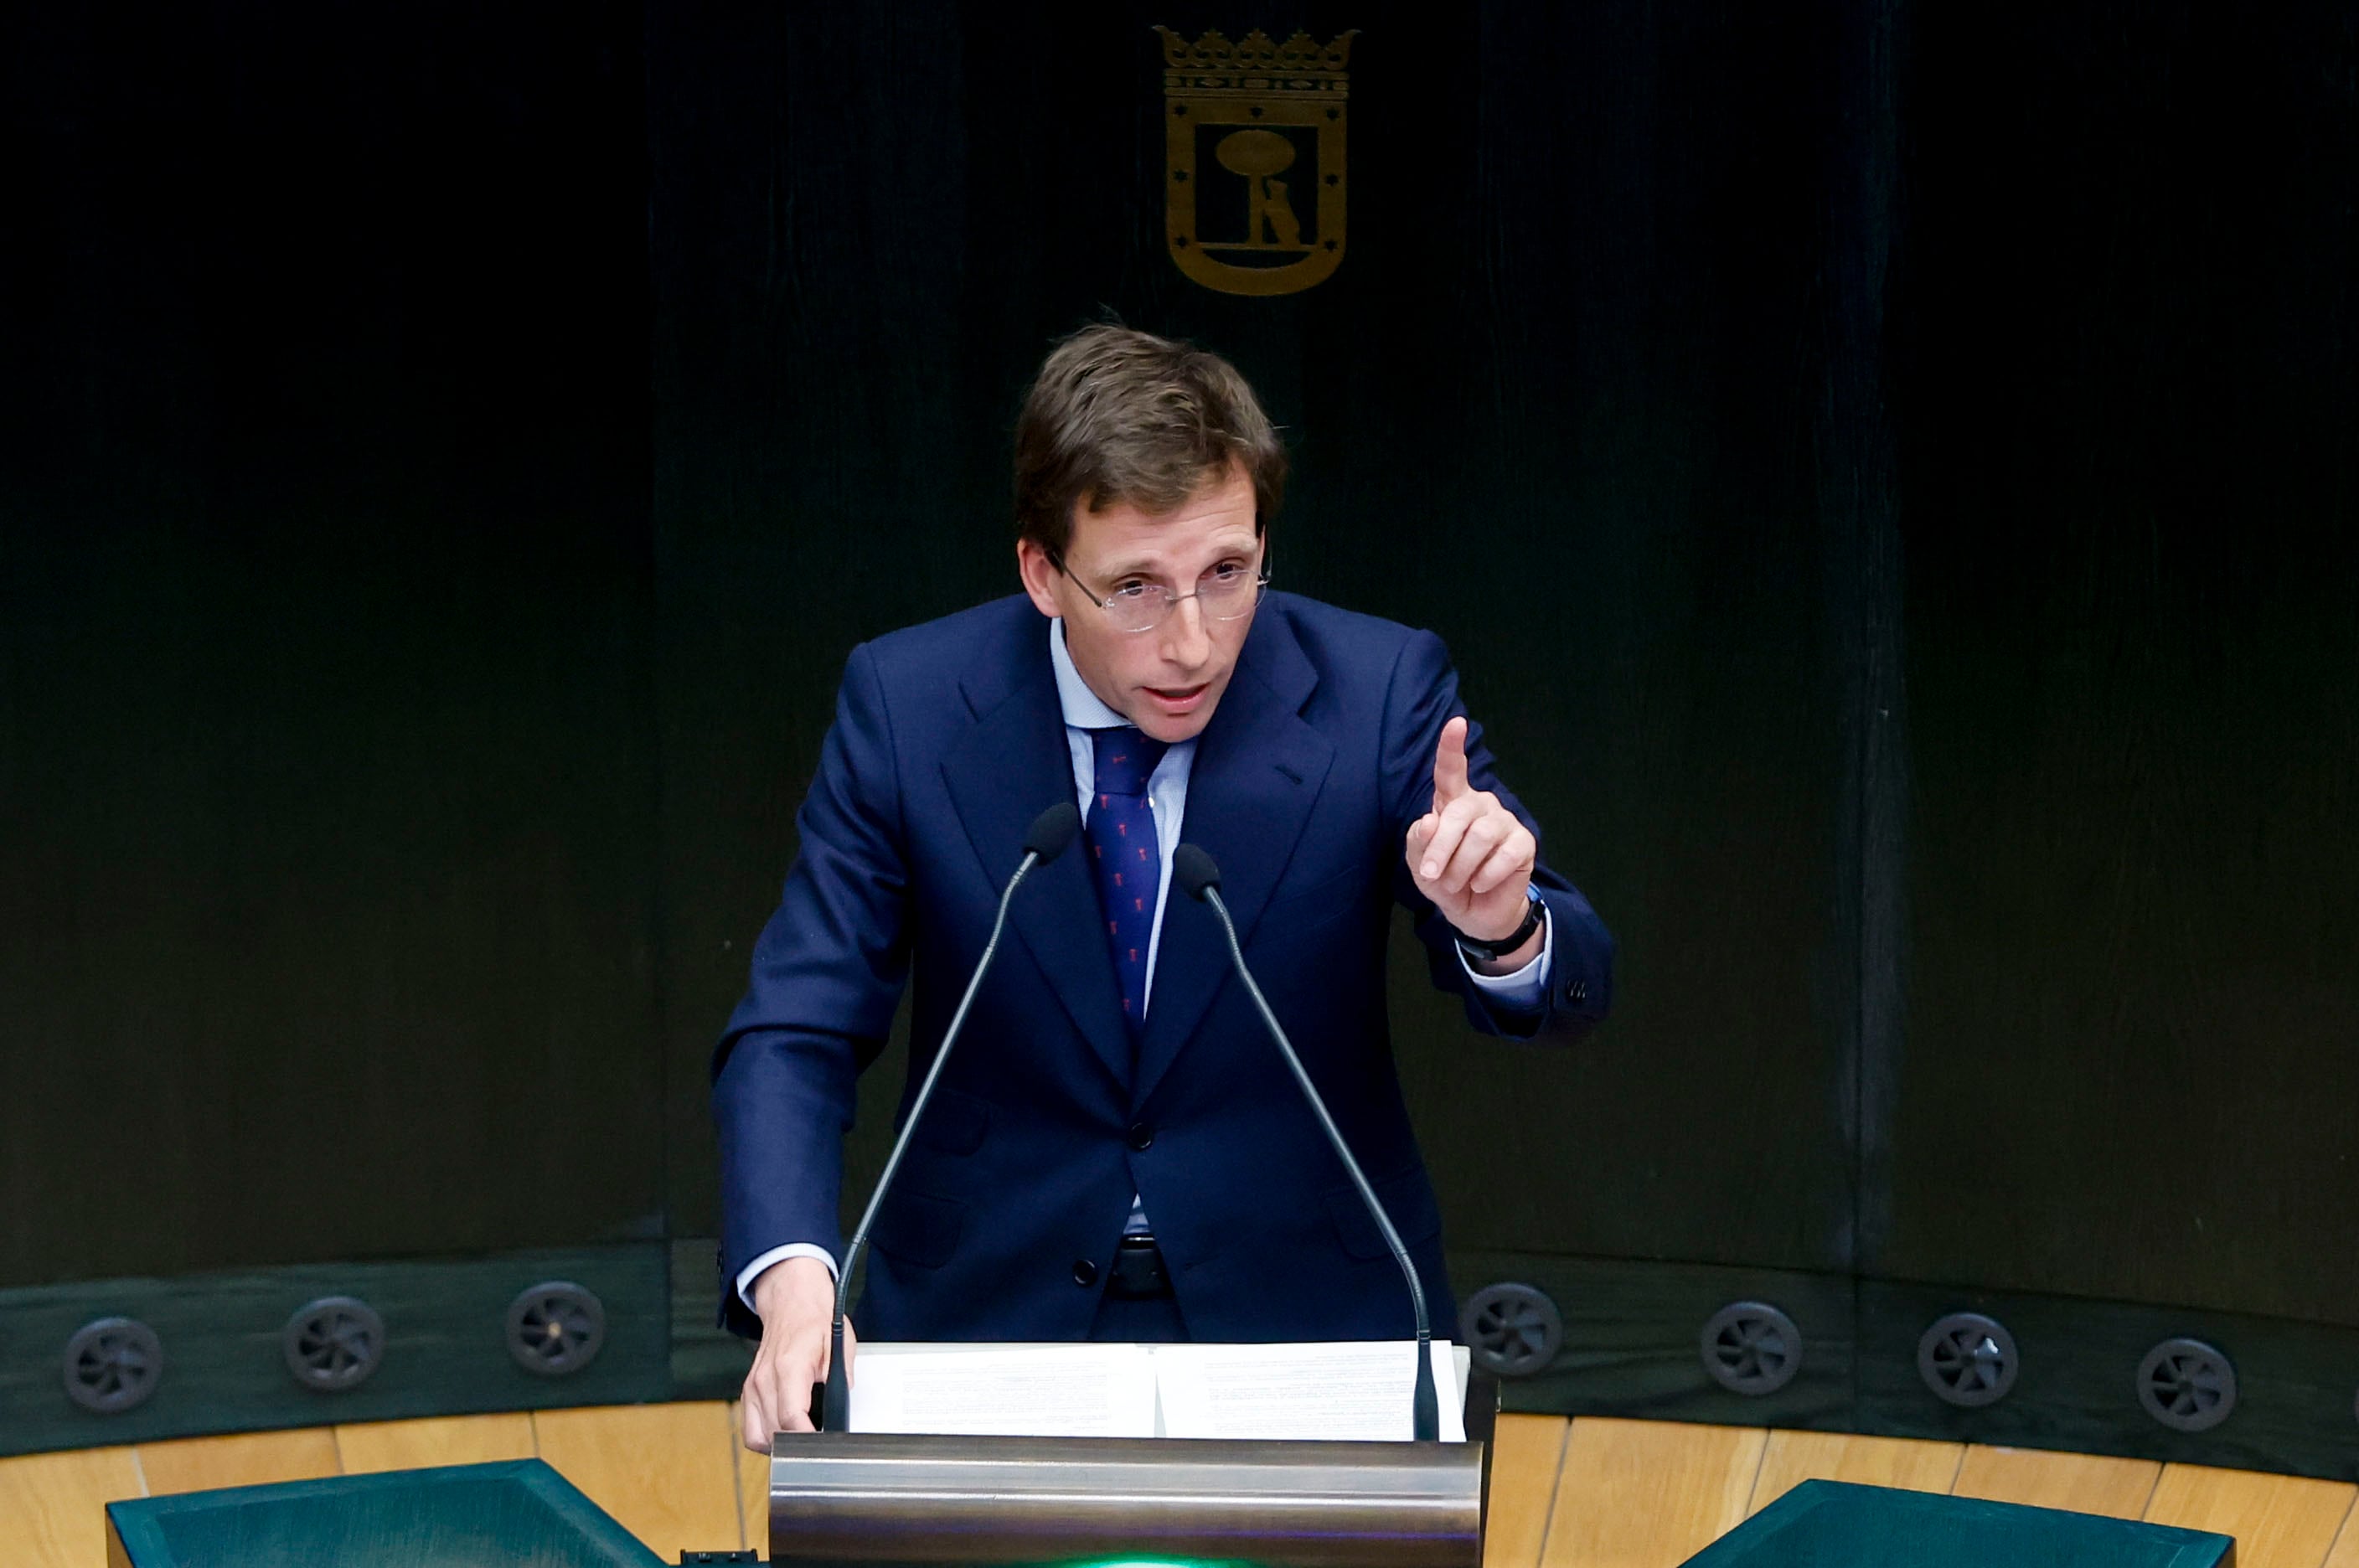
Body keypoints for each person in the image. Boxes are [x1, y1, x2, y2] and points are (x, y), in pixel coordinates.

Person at [714, 324, 1613, 1452]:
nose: (1192, 641)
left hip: (1306, 1321)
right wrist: (793, 1281)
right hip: (987, 1318)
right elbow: (795, 1029)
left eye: (1227, 574)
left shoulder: (1379, 690)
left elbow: (1571, 976)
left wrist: (1503, 929)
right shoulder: (910, 706)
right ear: (1044, 571)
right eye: (1136, 587)